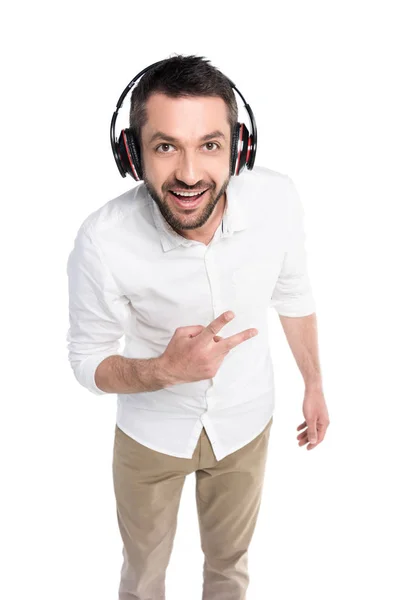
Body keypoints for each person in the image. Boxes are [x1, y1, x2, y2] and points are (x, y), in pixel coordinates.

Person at [66, 54, 330, 600]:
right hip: (150, 438)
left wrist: (315, 384)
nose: (188, 174)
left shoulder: (278, 200)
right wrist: (163, 371)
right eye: (166, 146)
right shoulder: (102, 239)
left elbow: (294, 294)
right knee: (142, 576)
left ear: (240, 148)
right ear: (132, 155)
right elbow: (87, 361)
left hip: (246, 426)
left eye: (209, 145)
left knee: (229, 567)